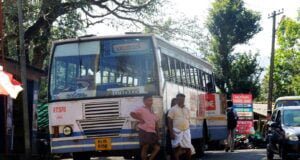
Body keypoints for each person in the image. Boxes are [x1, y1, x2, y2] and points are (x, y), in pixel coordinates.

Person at [130, 95, 160, 160]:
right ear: (144, 101)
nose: (151, 102)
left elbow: (156, 123)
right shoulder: (141, 109)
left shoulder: (153, 111)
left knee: (157, 148)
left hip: (152, 132)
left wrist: (158, 134)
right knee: (145, 147)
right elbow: (132, 113)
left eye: (151, 100)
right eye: (149, 100)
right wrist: (140, 119)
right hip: (144, 131)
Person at [168, 93, 195, 160]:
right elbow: (169, 121)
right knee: (177, 149)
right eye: (179, 99)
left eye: (182, 99)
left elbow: (188, 120)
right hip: (176, 131)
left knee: (188, 148)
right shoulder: (173, 109)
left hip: (186, 131)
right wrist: (171, 133)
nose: (181, 101)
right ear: (177, 100)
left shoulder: (187, 109)